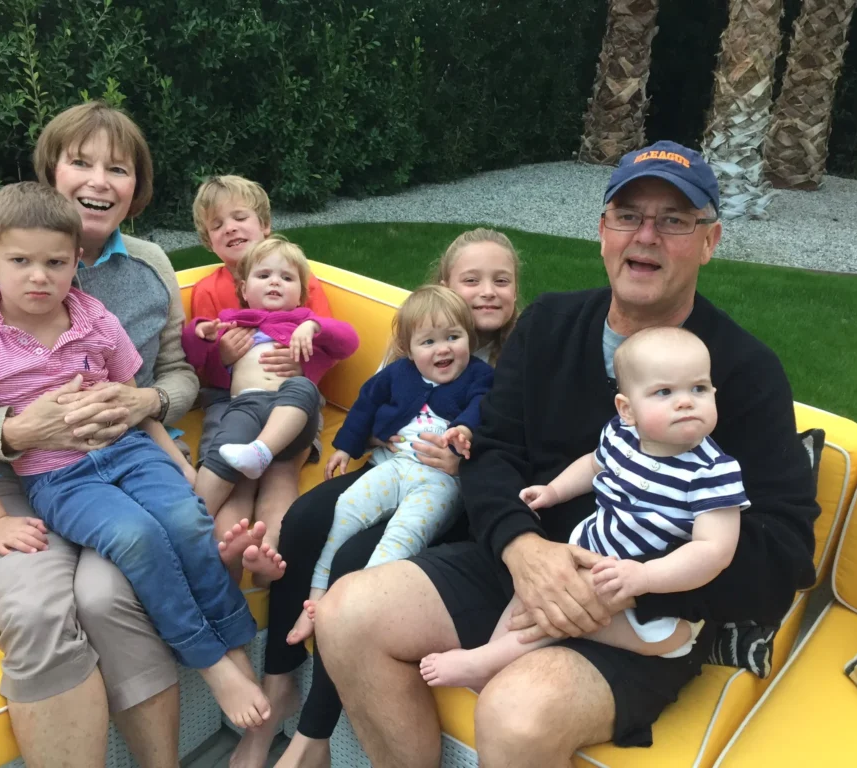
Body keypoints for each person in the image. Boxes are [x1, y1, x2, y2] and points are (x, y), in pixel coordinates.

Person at [313, 140, 819, 767]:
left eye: (675, 220)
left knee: (517, 714)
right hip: (520, 566)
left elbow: (786, 550)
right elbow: (491, 452)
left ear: (710, 241)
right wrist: (524, 550)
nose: (647, 236)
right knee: (346, 614)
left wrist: (632, 587)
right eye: (629, 216)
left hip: (641, 617)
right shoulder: (550, 324)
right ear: (603, 231)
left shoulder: (741, 372)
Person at [0, 101, 201, 768]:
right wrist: (16, 431)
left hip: (121, 465)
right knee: (40, 611)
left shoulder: (153, 266)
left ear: (138, 188)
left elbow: (179, 376)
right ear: (52, 172)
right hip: (15, 482)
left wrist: (146, 401)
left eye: (119, 168)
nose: (99, 180)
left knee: (109, 596)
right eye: (80, 162)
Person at [0, 181, 270, 728]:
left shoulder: (94, 320)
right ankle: (210, 659)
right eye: (20, 260)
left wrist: (179, 463)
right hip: (60, 479)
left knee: (188, 518)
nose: (39, 276)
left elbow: (134, 402)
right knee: (137, 536)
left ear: (76, 263)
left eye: (55, 262)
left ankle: (234, 641)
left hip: (131, 451)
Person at [229, 227, 521, 768]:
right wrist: (371, 434)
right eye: (471, 280)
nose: (486, 292)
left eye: (500, 281)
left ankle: (312, 736)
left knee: (353, 561)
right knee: (305, 518)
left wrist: (465, 454)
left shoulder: (514, 358)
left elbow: (512, 446)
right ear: (444, 286)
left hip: (458, 497)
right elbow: (378, 402)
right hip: (393, 468)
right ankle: (278, 683)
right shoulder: (418, 331)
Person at [420, 326, 746, 690]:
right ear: (627, 409)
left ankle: (483, 663)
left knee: (552, 611)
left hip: (648, 613)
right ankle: (491, 665)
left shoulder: (713, 472)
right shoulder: (623, 437)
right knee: (538, 592)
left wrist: (645, 578)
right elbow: (594, 464)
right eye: (664, 392)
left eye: (698, 389)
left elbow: (714, 550)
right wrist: (554, 491)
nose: (685, 401)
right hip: (593, 564)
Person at [290, 285, 494, 643]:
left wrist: (464, 429)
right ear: (410, 350)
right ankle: (318, 595)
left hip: (439, 482)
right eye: (428, 342)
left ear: (469, 337)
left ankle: (357, 610)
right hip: (395, 466)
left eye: (453, 336)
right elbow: (366, 404)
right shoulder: (398, 374)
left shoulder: (478, 376)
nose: (443, 348)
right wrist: (345, 448)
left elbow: (481, 405)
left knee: (401, 537)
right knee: (347, 507)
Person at [184, 236, 358, 581]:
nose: (275, 281)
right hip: (242, 410)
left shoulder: (304, 325)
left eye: (287, 277)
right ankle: (232, 550)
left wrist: (313, 325)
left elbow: (348, 341)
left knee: (283, 467)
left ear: (301, 293)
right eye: (264, 275)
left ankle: (271, 553)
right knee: (238, 484)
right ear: (244, 289)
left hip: (289, 420)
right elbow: (201, 366)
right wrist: (202, 335)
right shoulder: (231, 323)